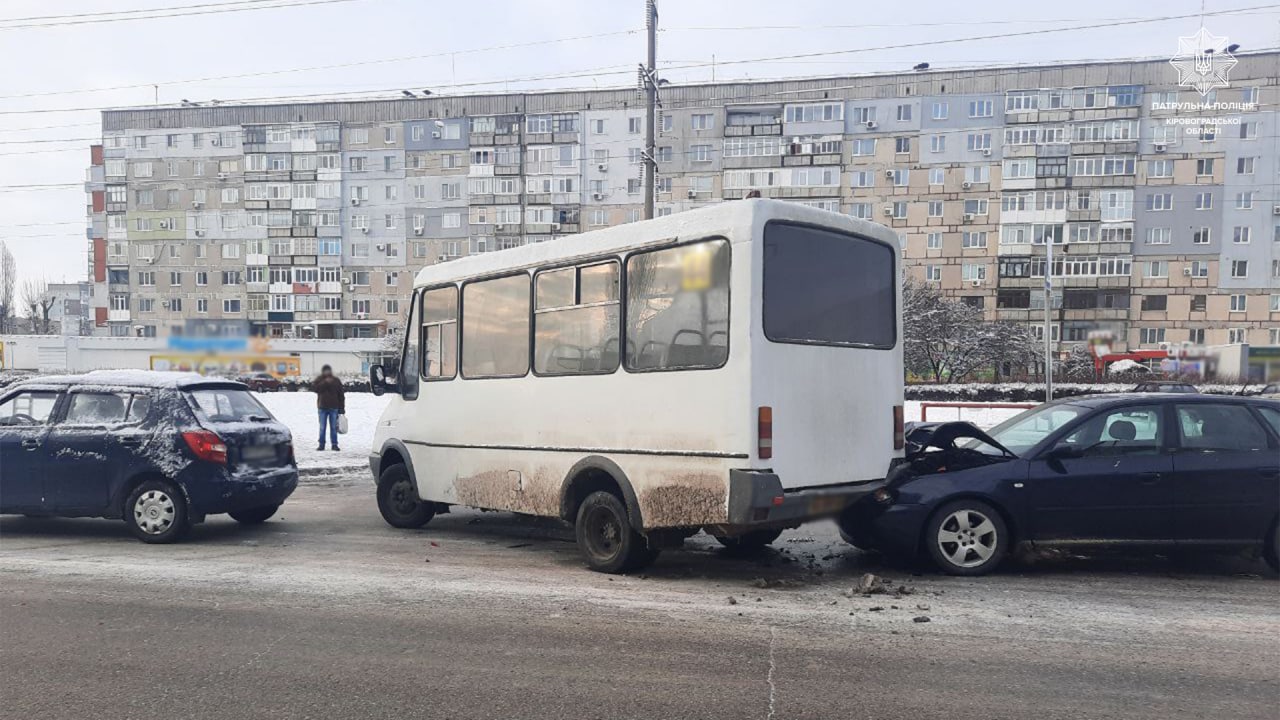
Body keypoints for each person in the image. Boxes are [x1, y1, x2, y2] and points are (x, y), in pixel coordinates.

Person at [312, 365, 345, 451]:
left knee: (333, 427)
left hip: (334, 407)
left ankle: (334, 444)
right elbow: (315, 389)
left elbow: (341, 395)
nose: (327, 372)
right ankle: (321, 444)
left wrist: (342, 408)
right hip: (322, 407)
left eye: (328, 370)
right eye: (325, 371)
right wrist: (325, 383)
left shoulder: (336, 381)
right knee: (322, 427)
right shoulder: (320, 380)